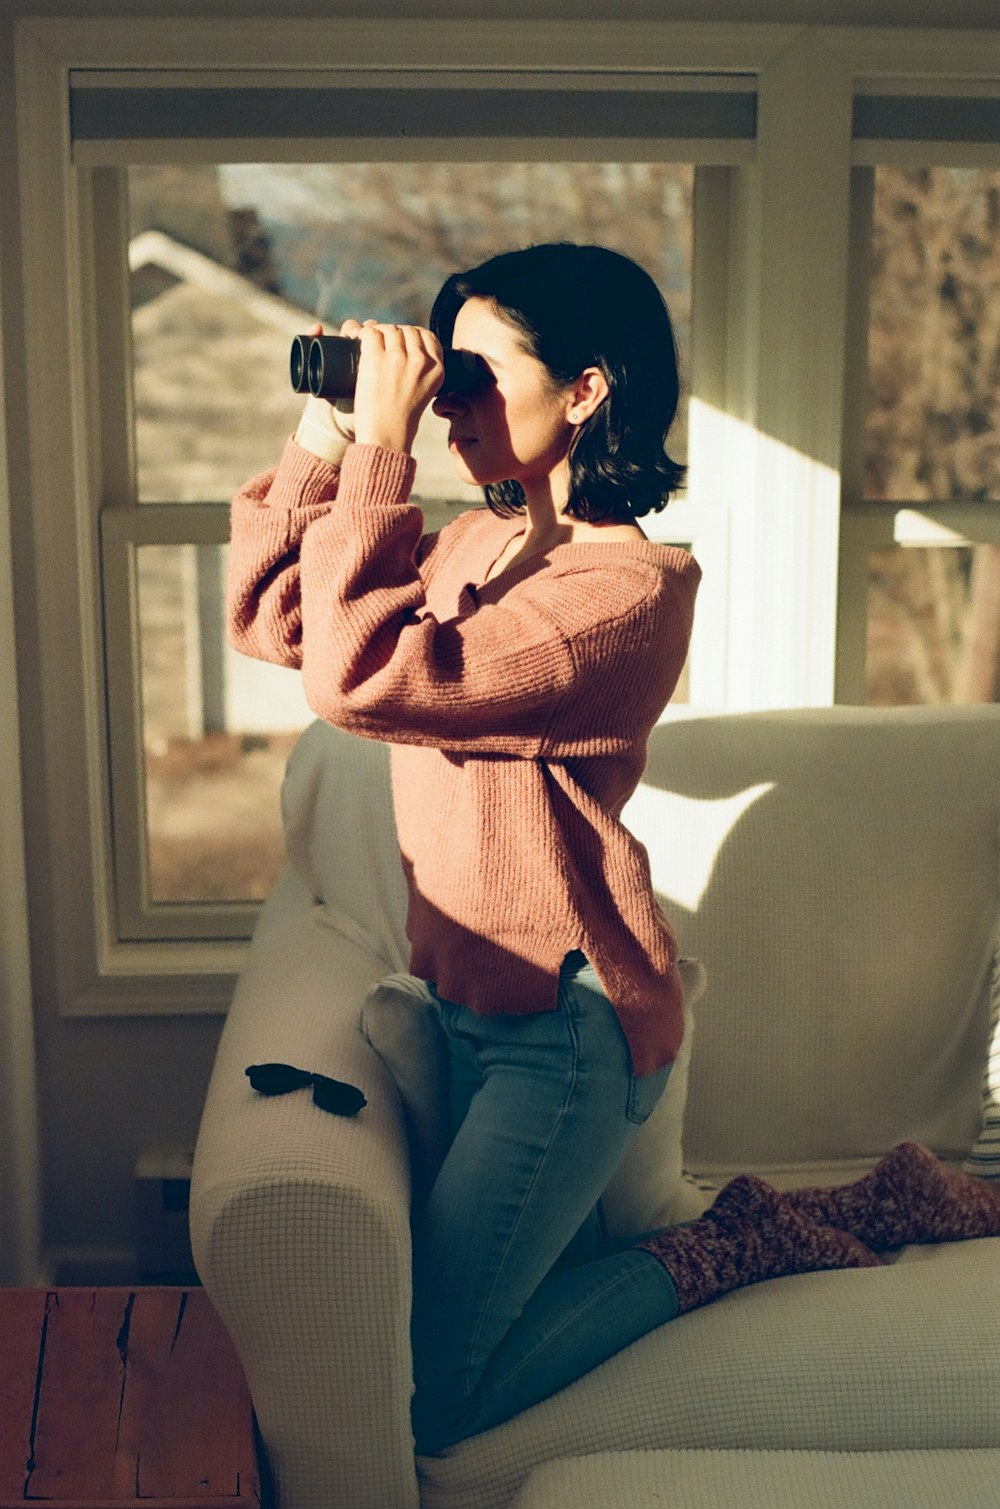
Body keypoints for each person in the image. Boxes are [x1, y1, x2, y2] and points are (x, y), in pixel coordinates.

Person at [226, 241, 1000, 1455]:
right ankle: (770, 1225)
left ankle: (731, 1244)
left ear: (584, 389)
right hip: (465, 1010)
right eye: (449, 378)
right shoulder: (475, 550)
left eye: (479, 374)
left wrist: (384, 460)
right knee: (460, 1321)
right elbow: (275, 621)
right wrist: (331, 436)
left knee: (438, 1389)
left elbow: (361, 676)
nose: (452, 407)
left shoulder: (627, 593)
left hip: (565, 1037)